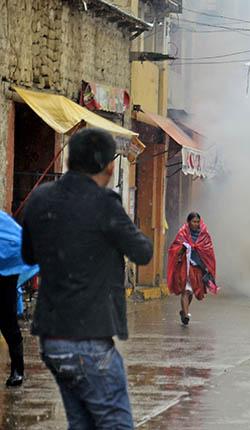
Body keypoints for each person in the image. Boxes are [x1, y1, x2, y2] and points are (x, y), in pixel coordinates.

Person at [21, 128, 153, 427]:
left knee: (82, 425)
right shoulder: (105, 204)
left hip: (52, 340)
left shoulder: (39, 198)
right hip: (89, 341)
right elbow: (142, 252)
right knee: (115, 423)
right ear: (109, 166)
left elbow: (29, 256)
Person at [0, 210, 38, 387]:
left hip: (7, 271)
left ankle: (18, 369)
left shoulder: (3, 222)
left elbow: (16, 240)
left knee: (7, 320)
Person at [168, 212, 217, 326]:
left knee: (191, 292)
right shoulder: (182, 234)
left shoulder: (204, 235)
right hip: (185, 266)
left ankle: (183, 311)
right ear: (188, 222)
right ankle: (186, 315)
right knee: (186, 290)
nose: (196, 224)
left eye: (197, 222)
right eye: (193, 221)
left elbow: (208, 251)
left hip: (197, 268)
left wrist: (208, 267)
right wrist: (183, 248)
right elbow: (175, 248)